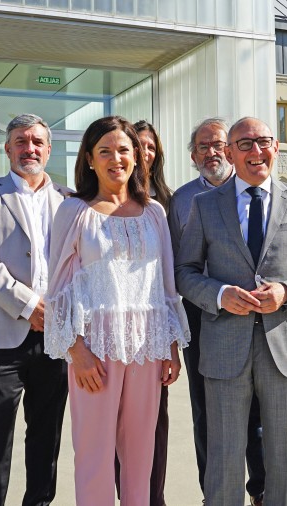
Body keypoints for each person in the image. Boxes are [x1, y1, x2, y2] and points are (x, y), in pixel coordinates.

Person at [175, 116, 287, 506]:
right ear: (229, 153)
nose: (255, 151)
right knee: (224, 458)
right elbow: (184, 272)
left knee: (281, 460)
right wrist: (219, 294)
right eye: (243, 144)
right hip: (224, 347)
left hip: (286, 349)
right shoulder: (204, 204)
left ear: (276, 147)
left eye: (263, 142)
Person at [43, 115, 188, 506]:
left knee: (142, 458)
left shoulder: (155, 212)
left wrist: (172, 346)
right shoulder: (73, 211)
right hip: (95, 350)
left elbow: (165, 287)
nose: (116, 158)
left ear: (138, 157)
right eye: (104, 151)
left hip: (148, 347)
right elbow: (56, 291)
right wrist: (76, 351)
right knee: (93, 457)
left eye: (124, 150)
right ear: (89, 159)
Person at [0, 113, 71, 506]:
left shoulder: (70, 199)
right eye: (21, 141)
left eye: (37, 141)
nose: (30, 148)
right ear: (7, 148)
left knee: (47, 437)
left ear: (48, 148)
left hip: (57, 337)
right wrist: (29, 307)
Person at [167, 117, 266, 505]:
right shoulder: (183, 200)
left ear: (232, 148)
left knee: (257, 408)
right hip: (201, 314)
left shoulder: (258, 190)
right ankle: (214, 491)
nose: (212, 153)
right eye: (203, 147)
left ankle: (259, 487)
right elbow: (180, 266)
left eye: (219, 144)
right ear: (193, 155)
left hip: (254, 313)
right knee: (206, 409)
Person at [112, 119, 174, 506]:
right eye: (139, 145)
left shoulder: (168, 202)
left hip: (155, 330)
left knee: (153, 423)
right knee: (112, 423)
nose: (145, 152)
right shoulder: (102, 201)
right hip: (112, 329)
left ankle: (153, 497)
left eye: (152, 147)